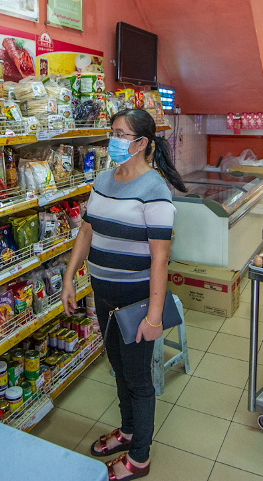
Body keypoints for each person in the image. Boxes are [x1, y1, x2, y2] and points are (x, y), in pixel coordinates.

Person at [60, 108, 187, 481]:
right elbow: (86, 231)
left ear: (142, 143)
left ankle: (139, 458)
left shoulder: (155, 191)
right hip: (103, 297)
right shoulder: (102, 179)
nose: (112, 140)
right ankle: (128, 431)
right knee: (118, 368)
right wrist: (70, 278)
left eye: (120, 133)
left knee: (139, 379)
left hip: (135, 303)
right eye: (111, 132)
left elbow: (160, 260)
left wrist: (153, 318)